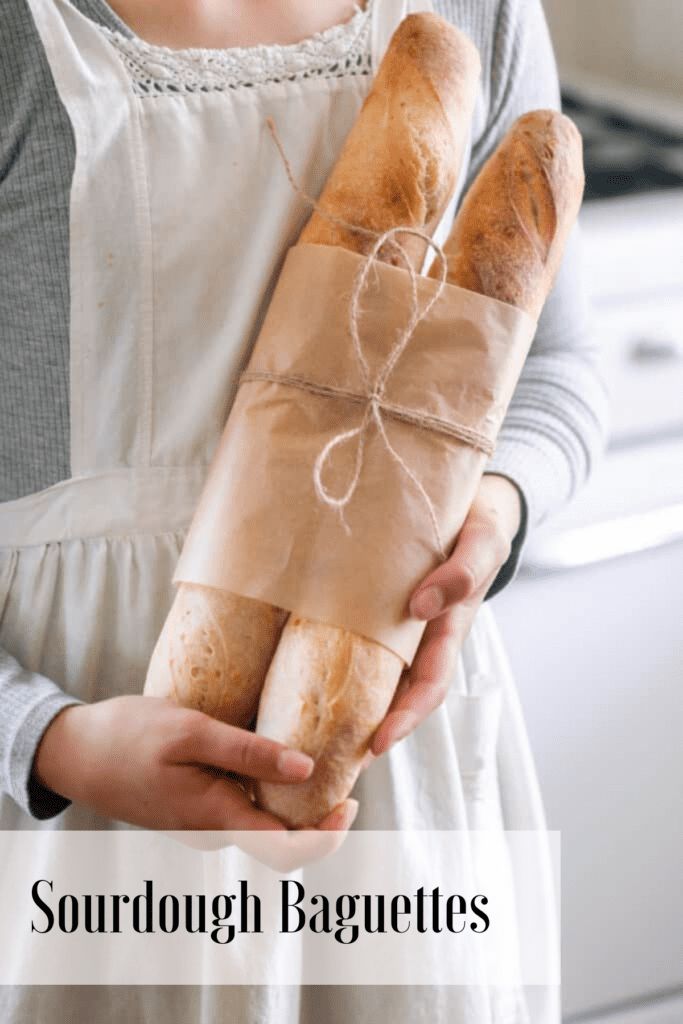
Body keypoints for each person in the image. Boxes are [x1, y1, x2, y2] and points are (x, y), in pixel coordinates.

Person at [0, 0, 608, 1019]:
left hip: (383, 755)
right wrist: (49, 740)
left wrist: (485, 523)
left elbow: (553, 365)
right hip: (73, 775)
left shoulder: (478, 12)